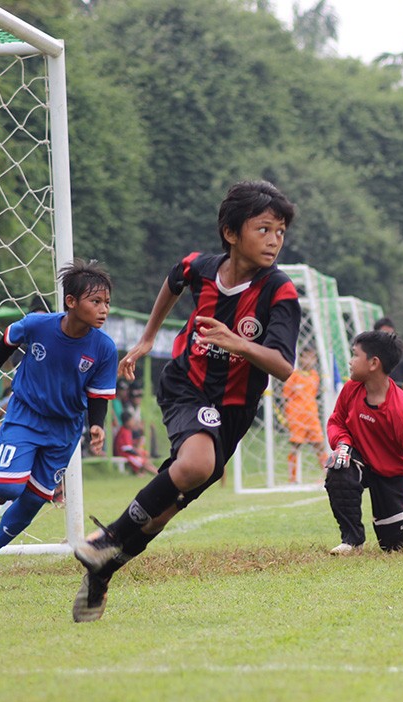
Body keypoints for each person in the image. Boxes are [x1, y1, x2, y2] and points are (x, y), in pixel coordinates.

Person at [71, 180, 300, 623]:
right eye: (264, 229)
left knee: (160, 514)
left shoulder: (279, 291)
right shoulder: (202, 267)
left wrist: (238, 343)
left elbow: (283, 365)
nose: (274, 240)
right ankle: (106, 540)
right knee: (196, 466)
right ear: (231, 233)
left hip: (234, 412)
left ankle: (102, 571)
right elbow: (175, 279)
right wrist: (148, 338)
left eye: (281, 232)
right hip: (186, 384)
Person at [0, 260, 117, 569]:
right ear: (72, 302)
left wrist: (97, 426)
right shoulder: (39, 324)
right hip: (26, 415)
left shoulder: (104, 348)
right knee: (6, 490)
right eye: (96, 302)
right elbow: (9, 338)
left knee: (36, 498)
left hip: (64, 430)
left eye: (106, 303)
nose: (104, 309)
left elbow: (99, 394)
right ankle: (10, 473)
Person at [325, 331, 403, 555]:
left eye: (355, 355)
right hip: (361, 462)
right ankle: (352, 542)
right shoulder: (351, 388)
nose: (350, 361)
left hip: (392, 475)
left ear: (374, 363)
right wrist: (342, 444)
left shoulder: (399, 407)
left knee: (394, 547)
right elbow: (336, 421)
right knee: (339, 468)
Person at [282, 346, 327, 482]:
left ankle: (328, 475)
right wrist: (286, 416)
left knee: (319, 445)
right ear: (300, 358)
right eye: (305, 357)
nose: (308, 360)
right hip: (296, 417)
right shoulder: (294, 376)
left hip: (312, 417)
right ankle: (293, 478)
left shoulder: (315, 376)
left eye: (311, 357)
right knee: (296, 446)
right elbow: (286, 396)